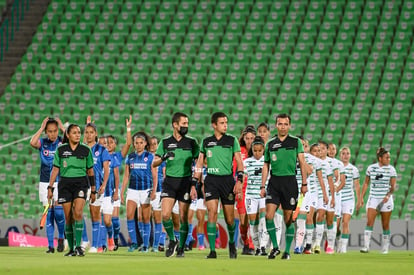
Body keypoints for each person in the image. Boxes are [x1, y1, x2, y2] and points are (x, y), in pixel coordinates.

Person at [193, 111, 243, 259]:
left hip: (227, 181)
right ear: (214, 125)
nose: (225, 125)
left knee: (229, 218)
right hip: (211, 181)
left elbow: (239, 161)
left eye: (226, 122)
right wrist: (194, 182)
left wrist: (239, 180)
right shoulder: (206, 141)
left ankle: (232, 244)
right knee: (212, 212)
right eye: (222, 123)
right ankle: (212, 251)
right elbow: (200, 163)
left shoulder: (231, 140)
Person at [260, 113, 308, 260]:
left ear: (289, 126)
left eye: (285, 124)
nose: (283, 126)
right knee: (268, 215)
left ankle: (287, 251)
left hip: (290, 182)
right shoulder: (270, 144)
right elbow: (266, 165)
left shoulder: (295, 142)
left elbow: (302, 163)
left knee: (288, 219)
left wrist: (304, 183)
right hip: (274, 183)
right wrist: (263, 186)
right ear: (276, 125)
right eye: (280, 124)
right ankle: (275, 247)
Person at [152, 112, 200, 258]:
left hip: (185, 182)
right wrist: (164, 158)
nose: (186, 126)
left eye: (187, 124)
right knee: (165, 215)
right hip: (170, 182)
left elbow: (198, 163)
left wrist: (194, 183)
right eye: (184, 123)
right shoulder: (165, 142)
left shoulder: (192, 142)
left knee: (183, 218)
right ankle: (172, 240)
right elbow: (154, 163)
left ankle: (181, 248)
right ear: (175, 124)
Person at [47, 123, 96, 256]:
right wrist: (50, 187)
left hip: (81, 183)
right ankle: (72, 248)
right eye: (74, 132)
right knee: (68, 217)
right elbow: (55, 169)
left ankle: (79, 246)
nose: (77, 135)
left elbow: (90, 171)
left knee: (78, 213)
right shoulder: (61, 150)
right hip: (64, 184)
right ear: (68, 135)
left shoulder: (86, 150)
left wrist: (93, 190)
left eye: (79, 132)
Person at [30, 117, 66, 253]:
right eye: (50, 131)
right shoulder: (43, 142)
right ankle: (50, 246)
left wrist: (62, 126)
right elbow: (32, 142)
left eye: (55, 131)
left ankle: (61, 238)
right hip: (44, 181)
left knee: (58, 212)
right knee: (48, 213)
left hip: (59, 181)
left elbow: (75, 141)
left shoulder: (62, 142)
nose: (53, 134)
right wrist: (41, 128)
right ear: (46, 131)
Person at [121, 131, 158, 252]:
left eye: (141, 143)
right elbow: (126, 176)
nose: (138, 145)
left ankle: (146, 245)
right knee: (129, 216)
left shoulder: (150, 157)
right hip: (132, 190)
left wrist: (154, 191)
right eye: (136, 143)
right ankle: (134, 243)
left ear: (145, 143)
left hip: (146, 190)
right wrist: (122, 192)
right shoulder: (130, 157)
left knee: (145, 218)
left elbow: (155, 176)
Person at [359, 147, 396, 254]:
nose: (389, 159)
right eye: (386, 157)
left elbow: (393, 186)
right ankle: (366, 247)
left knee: (385, 225)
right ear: (380, 158)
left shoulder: (392, 169)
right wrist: (361, 197)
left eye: (389, 157)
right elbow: (366, 183)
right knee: (369, 222)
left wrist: (388, 195)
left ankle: (385, 248)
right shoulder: (371, 168)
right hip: (373, 199)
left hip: (386, 200)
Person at [84, 120, 110, 253]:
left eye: (91, 132)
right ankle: (84, 240)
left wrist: (104, 185)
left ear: (96, 134)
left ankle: (95, 245)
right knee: (75, 212)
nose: (89, 135)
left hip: (97, 186)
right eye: (87, 132)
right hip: (82, 186)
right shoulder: (81, 148)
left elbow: (107, 169)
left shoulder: (102, 150)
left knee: (95, 215)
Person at [107, 116, 132, 250]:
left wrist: (128, 129)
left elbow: (128, 144)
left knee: (115, 220)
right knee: (106, 220)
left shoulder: (117, 156)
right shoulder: (100, 155)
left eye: (111, 142)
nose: (109, 144)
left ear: (115, 145)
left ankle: (115, 238)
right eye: (107, 142)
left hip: (113, 192)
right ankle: (107, 241)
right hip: (102, 193)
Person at [302, 143, 327, 254]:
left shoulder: (316, 161)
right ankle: (301, 243)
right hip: (299, 191)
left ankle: (308, 245)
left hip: (312, 192)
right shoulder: (296, 157)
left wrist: (325, 194)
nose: (317, 153)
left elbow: (321, 179)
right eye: (315, 151)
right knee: (300, 220)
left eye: (305, 145)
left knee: (309, 217)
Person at [234, 125, 256, 255]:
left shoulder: (259, 151)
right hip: (242, 189)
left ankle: (251, 245)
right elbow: (235, 170)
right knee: (243, 222)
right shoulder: (239, 151)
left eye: (252, 138)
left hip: (254, 190)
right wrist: (238, 187)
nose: (249, 141)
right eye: (247, 138)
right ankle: (246, 242)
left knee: (253, 219)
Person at [243, 136, 266, 256]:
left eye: (260, 151)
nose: (257, 153)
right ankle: (256, 247)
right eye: (255, 150)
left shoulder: (267, 162)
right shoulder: (246, 162)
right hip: (250, 195)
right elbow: (242, 177)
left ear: (263, 150)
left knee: (263, 220)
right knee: (253, 222)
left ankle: (263, 246)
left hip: (263, 195)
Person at [312, 141, 335, 254]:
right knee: (309, 219)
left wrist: (332, 197)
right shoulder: (310, 162)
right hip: (311, 193)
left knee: (321, 216)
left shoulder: (326, 164)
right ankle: (307, 243)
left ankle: (317, 244)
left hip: (322, 194)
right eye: (318, 149)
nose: (319, 152)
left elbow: (330, 181)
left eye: (321, 149)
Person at [338, 147, 360, 253]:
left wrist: (359, 199)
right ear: (340, 155)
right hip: (338, 198)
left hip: (349, 200)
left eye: (348, 153)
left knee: (345, 222)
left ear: (350, 155)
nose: (346, 155)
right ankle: (338, 243)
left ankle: (343, 248)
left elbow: (357, 186)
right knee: (336, 226)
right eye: (343, 153)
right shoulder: (336, 167)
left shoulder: (353, 169)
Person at [148, 136, 166, 252]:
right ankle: (148, 243)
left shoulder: (161, 159)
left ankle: (158, 243)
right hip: (146, 189)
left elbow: (164, 175)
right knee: (144, 217)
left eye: (155, 144)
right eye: (151, 144)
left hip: (159, 189)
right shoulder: (145, 157)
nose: (153, 146)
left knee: (157, 217)